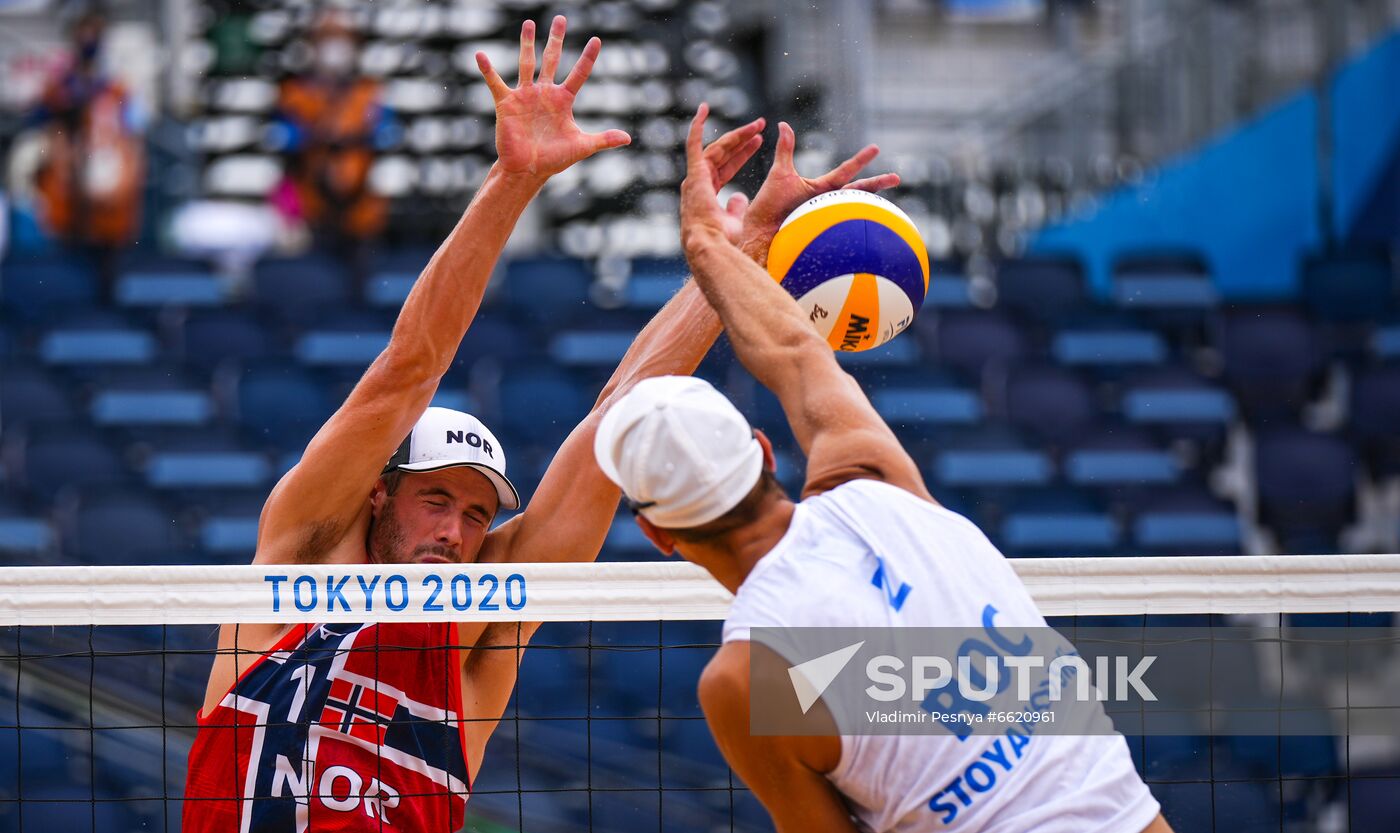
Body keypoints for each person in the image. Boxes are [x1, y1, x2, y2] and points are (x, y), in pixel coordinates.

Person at [183, 17, 897, 831]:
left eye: (478, 512)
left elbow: (620, 419)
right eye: (436, 499)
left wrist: (738, 260)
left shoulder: (482, 630)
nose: (455, 531)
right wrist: (514, 180)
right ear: (378, 496)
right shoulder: (299, 559)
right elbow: (407, 368)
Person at [591, 103, 1174, 833]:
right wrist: (711, 243)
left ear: (655, 534)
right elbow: (798, 356)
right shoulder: (877, 486)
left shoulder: (742, 680)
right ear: (765, 452)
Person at [28, 4, 144, 283]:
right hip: (68, 174)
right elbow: (40, 117)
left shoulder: (116, 86)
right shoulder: (63, 82)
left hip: (107, 174)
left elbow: (133, 126)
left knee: (109, 253)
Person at [274, 12, 393, 261]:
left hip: (361, 209)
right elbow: (283, 138)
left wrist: (354, 137)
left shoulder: (369, 92)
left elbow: (388, 134)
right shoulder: (294, 92)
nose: (334, 47)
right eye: (326, 39)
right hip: (310, 207)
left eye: (342, 39)